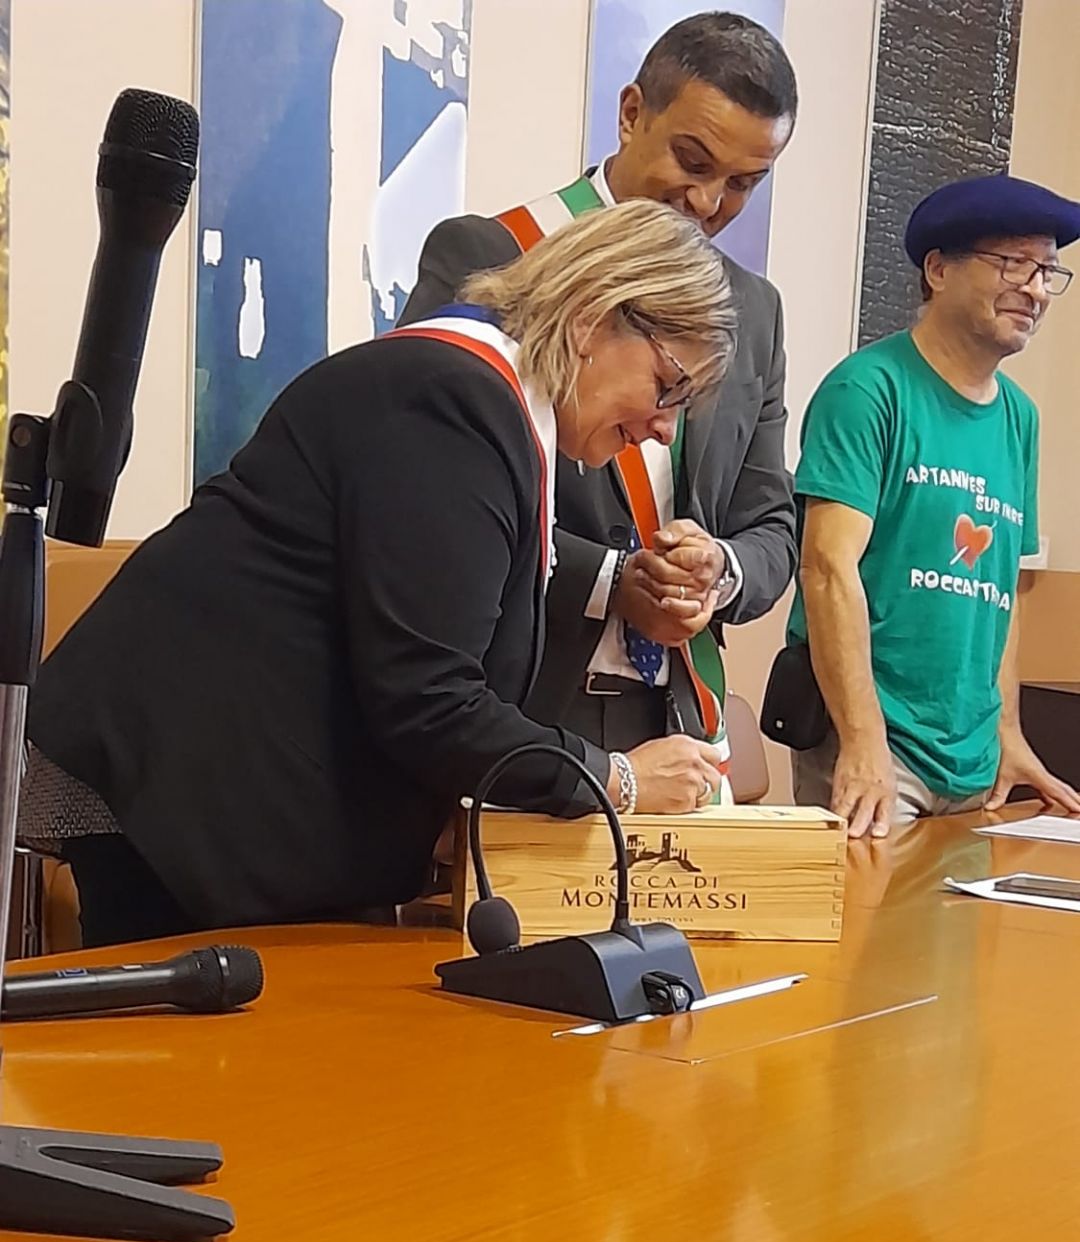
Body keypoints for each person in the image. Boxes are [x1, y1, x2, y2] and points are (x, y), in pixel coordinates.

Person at [23, 201, 737, 959]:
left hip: (222, 791)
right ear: (593, 318)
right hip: (180, 787)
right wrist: (616, 779)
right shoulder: (453, 403)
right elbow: (429, 698)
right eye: (668, 386)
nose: (664, 427)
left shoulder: (479, 401)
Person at [402, 9, 798, 770]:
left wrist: (718, 570)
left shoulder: (754, 310)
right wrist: (613, 581)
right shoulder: (497, 255)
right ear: (631, 114)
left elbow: (771, 523)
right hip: (521, 706)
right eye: (692, 160)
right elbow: (428, 495)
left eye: (743, 184)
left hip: (681, 715)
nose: (708, 201)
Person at [784, 174, 1080, 837]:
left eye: (1047, 271)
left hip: (975, 762)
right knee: (867, 908)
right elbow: (827, 569)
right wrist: (863, 743)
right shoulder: (868, 390)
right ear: (939, 270)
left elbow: (1001, 592)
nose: (1035, 290)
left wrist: (1008, 733)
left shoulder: (1020, 419)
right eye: (1013, 264)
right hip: (878, 753)